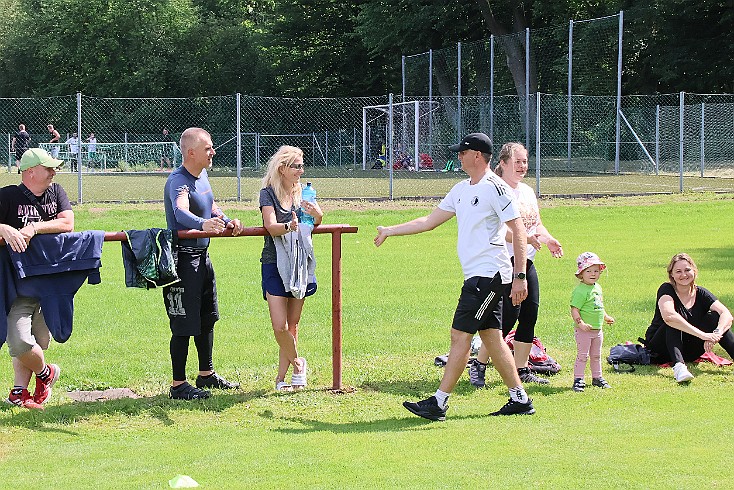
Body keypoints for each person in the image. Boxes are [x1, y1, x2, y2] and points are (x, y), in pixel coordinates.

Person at [374, 132, 534, 420]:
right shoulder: (461, 189)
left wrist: (520, 277)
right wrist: (390, 230)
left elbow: (518, 230)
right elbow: (429, 221)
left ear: (477, 156)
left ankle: (439, 402)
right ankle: (520, 398)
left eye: (462, 152)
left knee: (460, 335)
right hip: (476, 275)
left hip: (489, 276)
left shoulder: (497, 189)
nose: (458, 156)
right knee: (492, 338)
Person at [469, 142, 563, 388]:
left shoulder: (527, 191)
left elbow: (536, 224)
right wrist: (524, 237)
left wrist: (547, 238)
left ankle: (521, 368)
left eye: (525, 161)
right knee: (507, 318)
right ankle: (478, 366)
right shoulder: (498, 191)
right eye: (518, 162)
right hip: (505, 262)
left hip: (527, 260)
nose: (523, 166)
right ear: (503, 163)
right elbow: (501, 231)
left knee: (530, 314)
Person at [163, 127, 244, 400]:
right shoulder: (179, 180)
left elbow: (210, 206)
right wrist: (203, 225)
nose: (213, 152)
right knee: (184, 323)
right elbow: (180, 211)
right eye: (208, 148)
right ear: (191, 152)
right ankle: (178, 385)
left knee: (207, 317)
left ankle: (205, 374)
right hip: (183, 259)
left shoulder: (202, 176)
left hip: (203, 258)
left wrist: (226, 219)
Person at [0, 148, 72, 409]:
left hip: (50, 285)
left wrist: (34, 227)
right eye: (49, 168)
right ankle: (47, 374)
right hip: (19, 285)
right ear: (30, 172)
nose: (54, 172)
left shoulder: (56, 193)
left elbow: (67, 223)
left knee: (39, 342)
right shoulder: (8, 196)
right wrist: (5, 228)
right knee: (20, 342)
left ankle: (20, 391)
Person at [259, 145, 323, 391]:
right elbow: (270, 226)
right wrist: (289, 227)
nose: (301, 170)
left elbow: (314, 222)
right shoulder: (268, 193)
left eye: (301, 165)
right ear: (282, 168)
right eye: (296, 166)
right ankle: (299, 364)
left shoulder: (304, 193)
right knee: (279, 326)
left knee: (293, 326)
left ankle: (281, 379)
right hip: (274, 262)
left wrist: (318, 215)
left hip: (299, 263)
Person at [643, 253, 734, 383]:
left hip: (689, 350)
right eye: (678, 271)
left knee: (715, 317)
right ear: (672, 275)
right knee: (674, 321)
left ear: (694, 271)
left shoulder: (701, 293)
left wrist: (716, 333)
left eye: (687, 270)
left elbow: (726, 314)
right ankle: (679, 367)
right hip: (660, 350)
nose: (683, 275)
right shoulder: (666, 289)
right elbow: (669, 316)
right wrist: (703, 335)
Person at [570, 252, 614, 392]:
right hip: (584, 331)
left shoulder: (597, 288)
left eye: (596, 271)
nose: (593, 274)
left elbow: (599, 305)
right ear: (581, 274)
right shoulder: (580, 291)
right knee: (583, 355)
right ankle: (578, 379)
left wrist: (606, 317)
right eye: (588, 271)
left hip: (597, 329)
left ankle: (597, 377)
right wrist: (581, 323)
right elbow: (574, 309)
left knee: (596, 355)